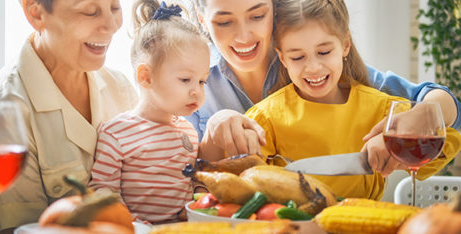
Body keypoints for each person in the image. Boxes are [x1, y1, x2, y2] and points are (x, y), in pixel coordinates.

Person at [188, 0, 461, 177]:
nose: (244, 36)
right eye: (224, 21)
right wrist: (214, 130)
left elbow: (449, 109)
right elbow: (183, 175)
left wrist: (419, 116)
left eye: (257, 15)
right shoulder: (189, 78)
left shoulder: (325, 62)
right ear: (202, 19)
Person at [0, 0, 138, 233]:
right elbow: (16, 229)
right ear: (36, 13)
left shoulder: (121, 88)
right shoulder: (4, 108)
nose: (111, 25)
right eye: (90, 11)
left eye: (115, 7)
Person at [89, 0, 211, 224]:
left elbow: (191, 185)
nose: (197, 91)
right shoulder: (116, 133)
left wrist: (198, 203)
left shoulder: (189, 132)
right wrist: (134, 225)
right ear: (146, 76)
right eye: (185, 79)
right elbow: (103, 191)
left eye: (202, 81)